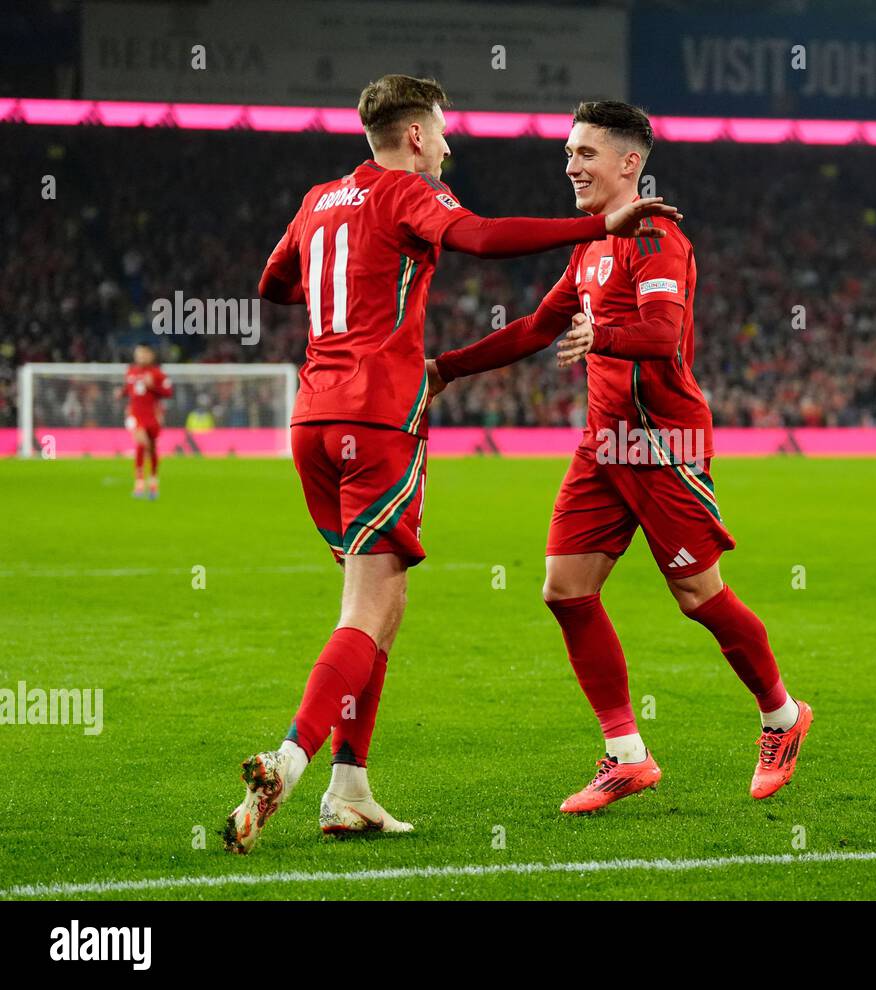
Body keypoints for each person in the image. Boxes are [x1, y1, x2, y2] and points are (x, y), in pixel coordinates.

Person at [224, 76, 679, 854]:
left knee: (382, 609)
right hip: (379, 420)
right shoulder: (408, 194)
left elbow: (272, 285)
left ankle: (349, 789)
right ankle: (291, 759)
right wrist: (598, 225)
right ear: (413, 139)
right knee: (366, 611)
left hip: (309, 420)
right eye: (441, 134)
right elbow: (485, 237)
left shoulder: (316, 199)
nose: (448, 146)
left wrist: (347, 274)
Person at [429, 102, 812, 814]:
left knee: (699, 597)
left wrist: (598, 333)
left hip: (662, 441)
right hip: (603, 442)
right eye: (569, 153)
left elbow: (662, 333)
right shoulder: (589, 244)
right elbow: (539, 327)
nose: (570, 165)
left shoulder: (656, 236)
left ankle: (783, 718)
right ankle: (627, 755)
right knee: (565, 590)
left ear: (629, 164)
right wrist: (448, 367)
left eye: (585, 154)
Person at [122, 343, 172, 499]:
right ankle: (139, 483)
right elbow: (129, 390)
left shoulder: (158, 374)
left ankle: (153, 481)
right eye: (139, 353)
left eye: (144, 353)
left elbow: (168, 392)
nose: (141, 356)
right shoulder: (130, 372)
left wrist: (153, 386)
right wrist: (121, 393)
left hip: (152, 416)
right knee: (142, 443)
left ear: (151, 355)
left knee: (152, 448)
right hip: (136, 416)